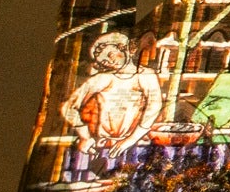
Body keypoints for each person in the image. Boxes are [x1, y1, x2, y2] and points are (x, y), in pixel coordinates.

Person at [59, 33, 164, 178]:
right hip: (101, 146)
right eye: (104, 61)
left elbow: (154, 107)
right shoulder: (103, 78)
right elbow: (68, 107)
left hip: (136, 144)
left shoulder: (146, 76)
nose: (109, 61)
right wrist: (84, 136)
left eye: (110, 54)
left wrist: (130, 140)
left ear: (124, 48)